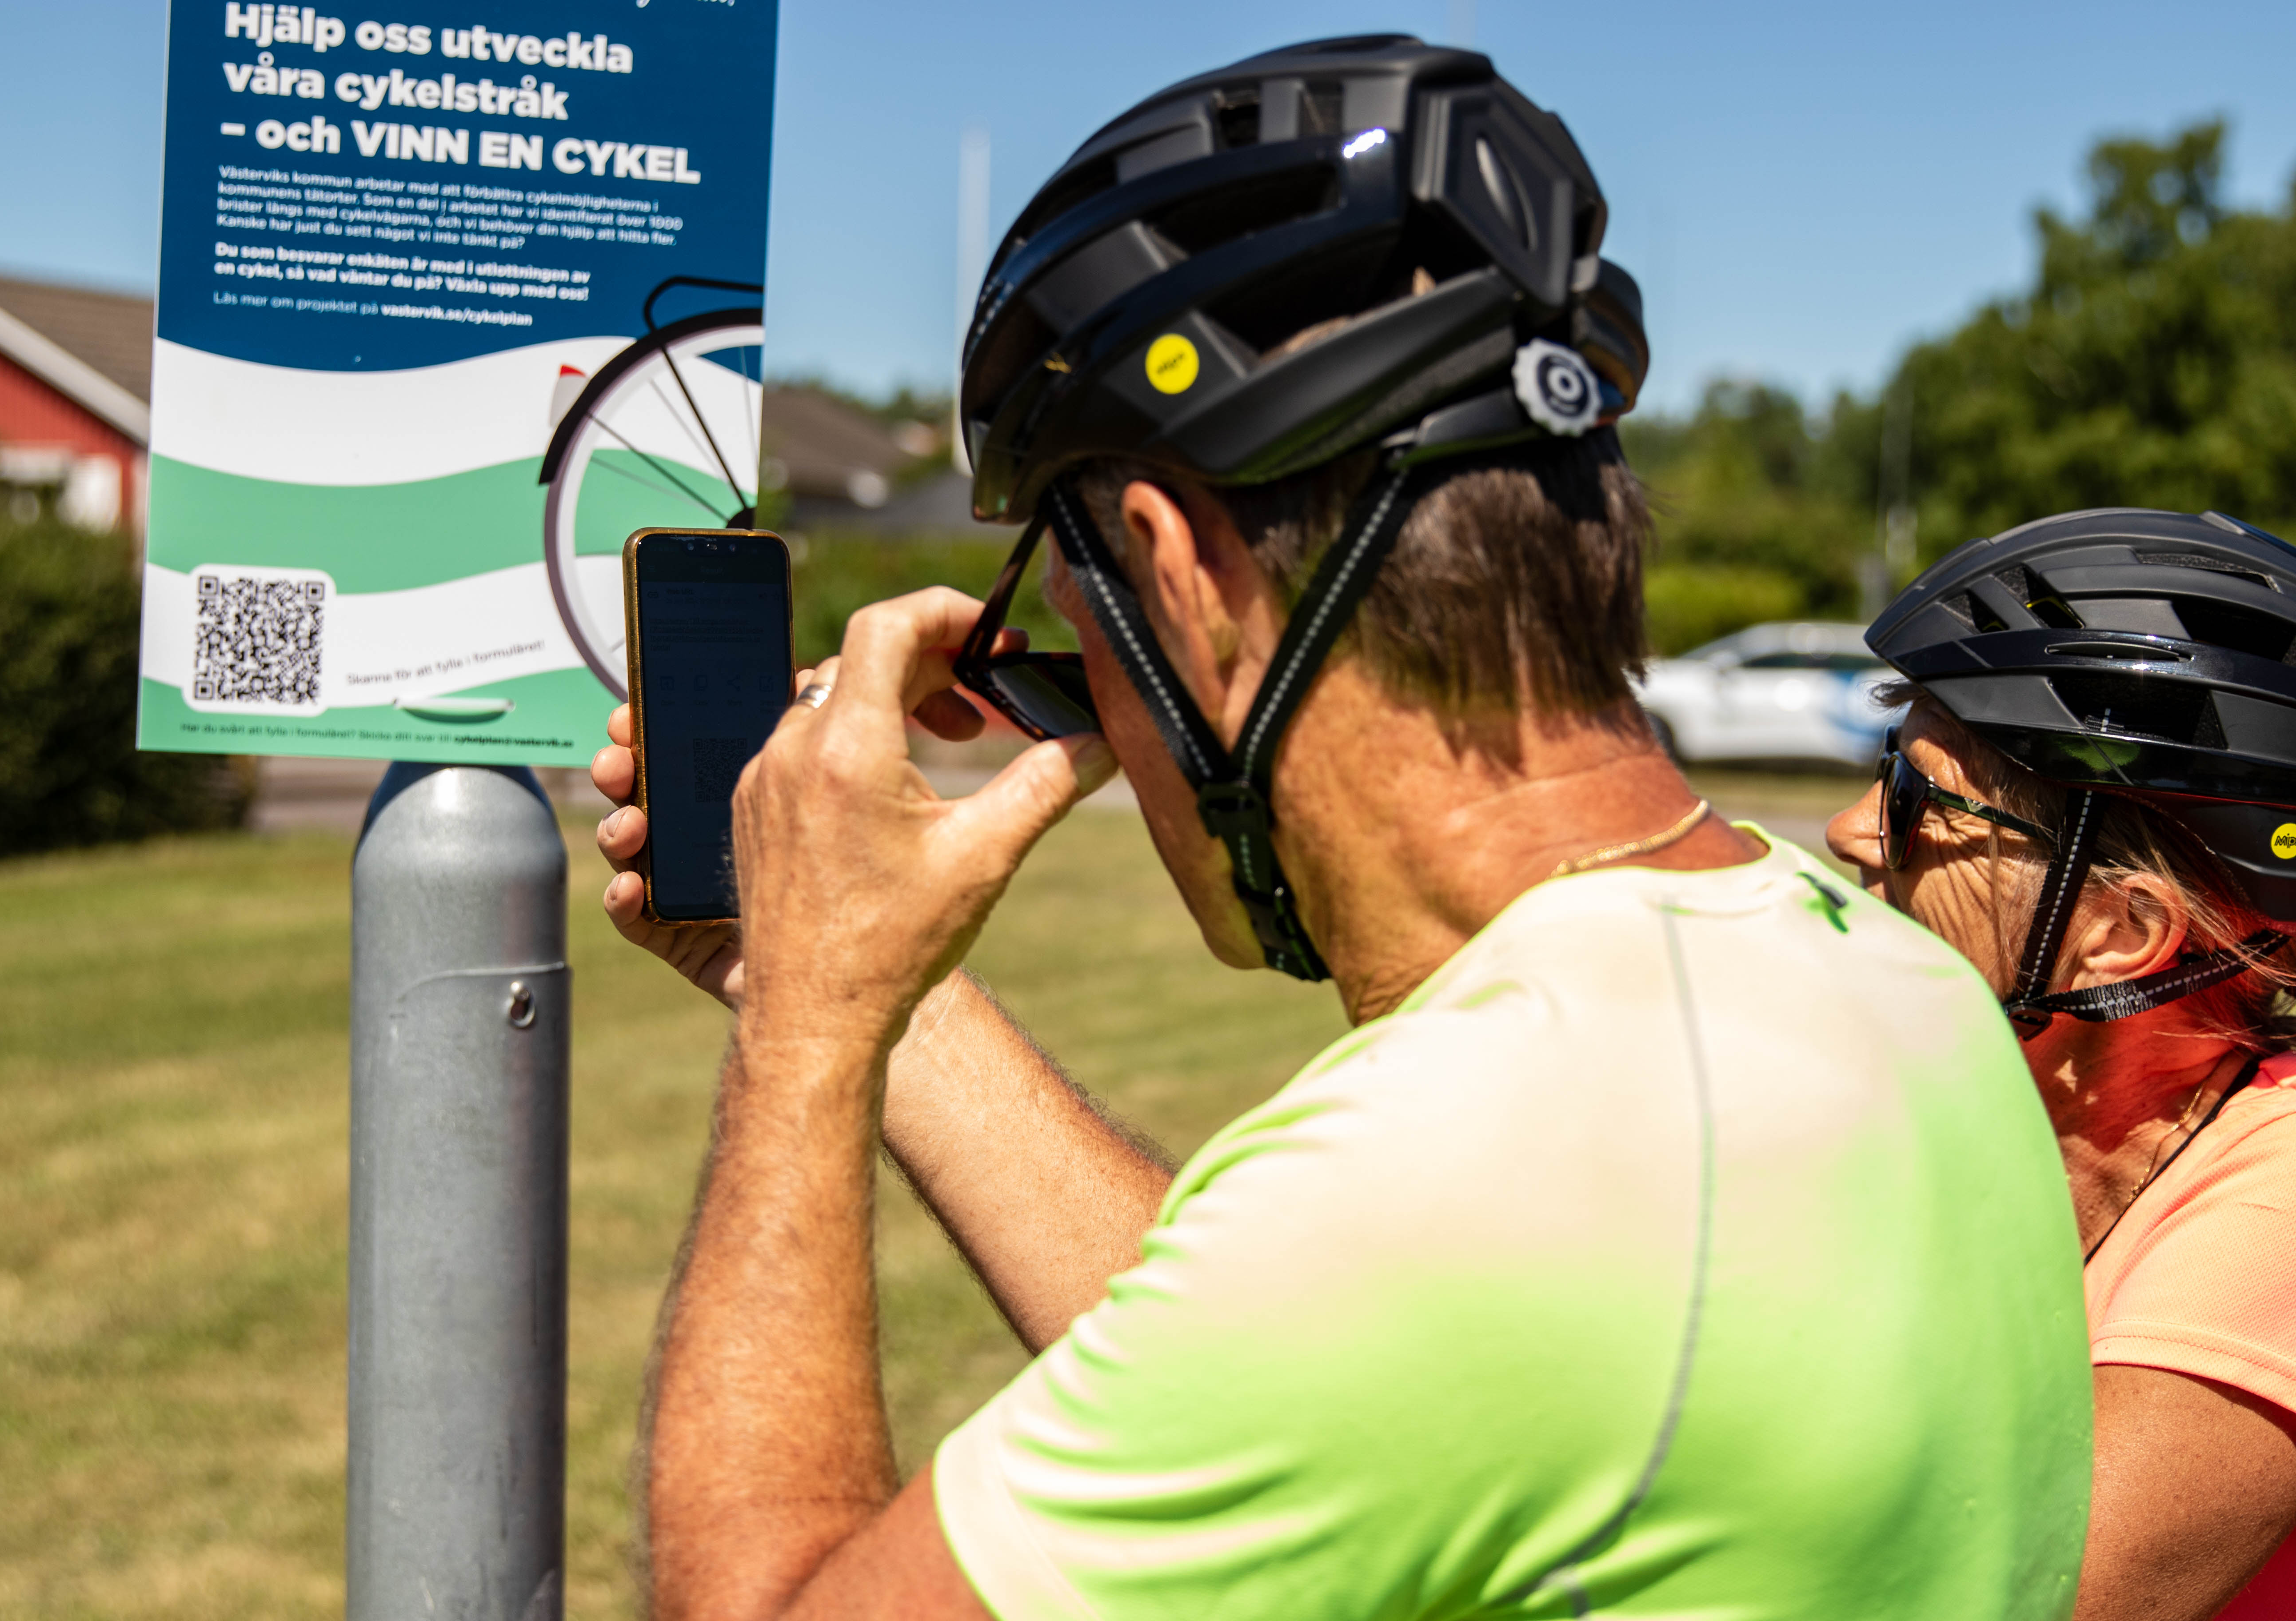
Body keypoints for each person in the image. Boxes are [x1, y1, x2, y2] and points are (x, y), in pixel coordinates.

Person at [591, 36, 2092, 1620]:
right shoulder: (1895, 983)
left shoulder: (1444, 1197)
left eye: (1071, 609)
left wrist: (813, 1030)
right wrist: (848, 965)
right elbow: (1282, 1376)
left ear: (1180, 576)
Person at [1825, 507, 2296, 1621]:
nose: (1849, 831)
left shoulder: (2279, 1212)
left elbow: (1997, 1602)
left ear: (2120, 934)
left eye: (1913, 800)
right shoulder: (1966, 1131)